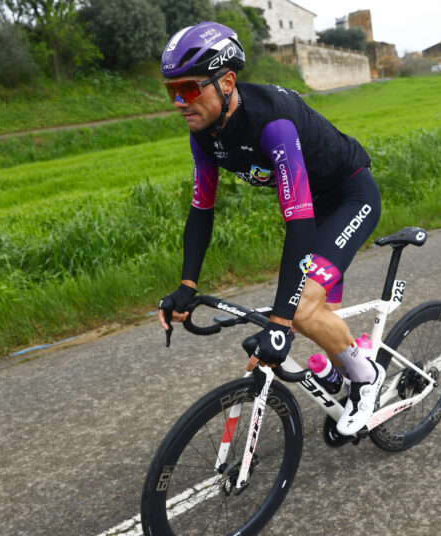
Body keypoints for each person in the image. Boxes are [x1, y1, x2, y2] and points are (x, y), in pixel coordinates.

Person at [156, 21, 382, 436]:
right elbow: (201, 210)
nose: (178, 102)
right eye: (171, 91)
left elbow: (298, 221)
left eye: (188, 89)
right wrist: (187, 284)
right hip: (313, 208)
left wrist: (280, 323)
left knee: (300, 311)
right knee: (313, 319)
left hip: (349, 197)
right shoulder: (205, 135)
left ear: (226, 81)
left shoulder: (271, 123)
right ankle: (338, 377)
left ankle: (367, 377)